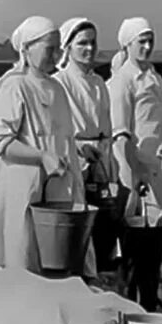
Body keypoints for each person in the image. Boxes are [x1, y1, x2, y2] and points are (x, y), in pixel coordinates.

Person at [0, 16, 85, 273]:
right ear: (26, 48)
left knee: (57, 260)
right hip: (22, 188)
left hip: (57, 190)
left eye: (58, 48)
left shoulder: (56, 88)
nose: (56, 55)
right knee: (23, 255)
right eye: (50, 49)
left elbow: (60, 137)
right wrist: (41, 156)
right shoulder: (13, 86)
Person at [53, 16, 114, 275]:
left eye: (93, 43)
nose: (89, 49)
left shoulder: (99, 83)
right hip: (75, 159)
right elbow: (57, 128)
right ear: (68, 47)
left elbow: (107, 124)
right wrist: (79, 149)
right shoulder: (60, 82)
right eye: (82, 43)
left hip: (100, 158)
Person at [107, 17, 162, 226]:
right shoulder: (122, 81)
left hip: (160, 162)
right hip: (137, 164)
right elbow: (120, 133)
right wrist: (136, 170)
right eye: (142, 42)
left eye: (150, 41)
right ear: (127, 44)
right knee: (140, 226)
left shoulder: (154, 76)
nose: (147, 47)